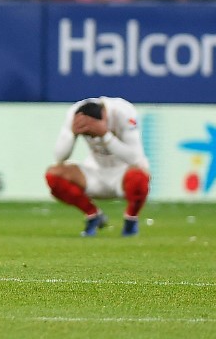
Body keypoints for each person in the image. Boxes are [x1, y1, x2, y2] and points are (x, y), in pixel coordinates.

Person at [46, 97, 151, 237]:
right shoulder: (75, 113)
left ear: (105, 118)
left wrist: (105, 135)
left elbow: (135, 158)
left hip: (124, 173)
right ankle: (93, 215)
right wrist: (73, 134)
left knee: (140, 176)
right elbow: (59, 157)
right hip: (94, 171)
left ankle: (131, 221)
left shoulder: (124, 111)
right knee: (53, 174)